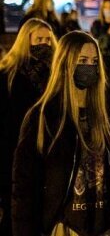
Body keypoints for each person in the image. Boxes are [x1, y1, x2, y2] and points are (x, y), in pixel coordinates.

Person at [12, 31, 110, 236]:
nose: (89, 67)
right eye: (82, 60)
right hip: (65, 227)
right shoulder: (45, 116)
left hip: (109, 226)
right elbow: (25, 184)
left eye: (94, 61)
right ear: (65, 64)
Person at [0, 19, 56, 236]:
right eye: (39, 39)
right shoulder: (9, 74)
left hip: (48, 149)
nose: (44, 44)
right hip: (13, 150)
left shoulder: (56, 75)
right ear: (26, 41)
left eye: (47, 40)